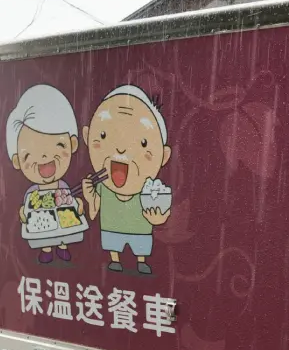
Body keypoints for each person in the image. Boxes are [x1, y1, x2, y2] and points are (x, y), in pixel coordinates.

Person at [82, 85, 172, 275]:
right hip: (111, 227)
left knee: (141, 245)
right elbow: (94, 211)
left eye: (143, 143)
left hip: (140, 230)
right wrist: (90, 197)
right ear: (87, 137)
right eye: (104, 135)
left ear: (163, 156)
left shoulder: (149, 190)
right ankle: (115, 260)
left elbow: (159, 215)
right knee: (112, 243)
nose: (121, 149)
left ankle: (141, 261)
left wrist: (157, 218)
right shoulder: (104, 186)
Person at [6, 83, 85, 264]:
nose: (44, 156)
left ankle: (62, 247)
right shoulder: (32, 194)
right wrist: (23, 214)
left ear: (72, 144)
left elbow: (72, 204)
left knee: (65, 232)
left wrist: (79, 207)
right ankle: (46, 249)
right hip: (40, 229)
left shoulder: (64, 188)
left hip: (66, 226)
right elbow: (27, 212)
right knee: (44, 234)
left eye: (58, 145)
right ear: (17, 161)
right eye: (29, 153)